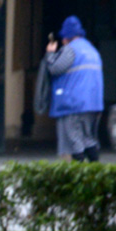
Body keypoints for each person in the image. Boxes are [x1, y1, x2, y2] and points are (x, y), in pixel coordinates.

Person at [45, 15, 103, 162]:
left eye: (63, 37)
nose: (62, 41)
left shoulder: (71, 50)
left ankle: (79, 175)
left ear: (68, 36)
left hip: (74, 103)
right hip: (93, 103)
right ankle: (96, 172)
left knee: (75, 140)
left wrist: (51, 53)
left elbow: (55, 69)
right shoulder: (92, 50)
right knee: (88, 138)